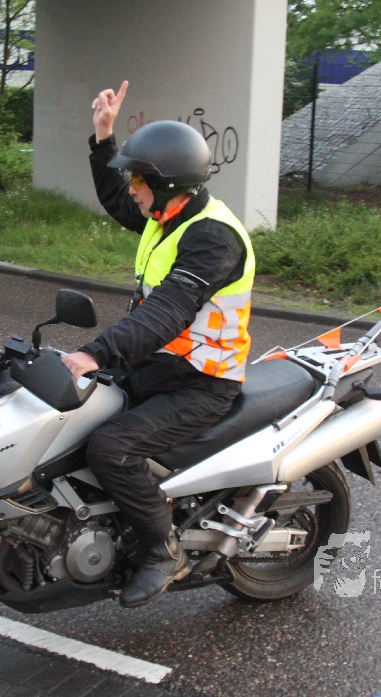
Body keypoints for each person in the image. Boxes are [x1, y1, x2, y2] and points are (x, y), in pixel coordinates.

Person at [61, 81, 257, 608]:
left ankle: (162, 550)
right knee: (68, 416)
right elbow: (114, 198)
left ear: (167, 186)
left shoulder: (213, 237)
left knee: (112, 447)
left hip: (202, 383)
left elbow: (169, 311)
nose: (132, 189)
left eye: (138, 180)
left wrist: (95, 353)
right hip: (156, 367)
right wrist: (103, 138)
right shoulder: (165, 215)